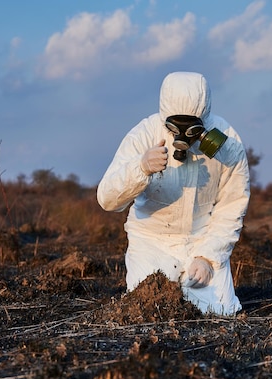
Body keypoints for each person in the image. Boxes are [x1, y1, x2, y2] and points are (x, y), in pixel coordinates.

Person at [97, 71, 250, 315]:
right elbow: (107, 199)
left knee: (219, 313)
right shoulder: (144, 135)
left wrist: (209, 257)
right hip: (151, 241)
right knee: (148, 309)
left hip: (202, 239)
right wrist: (141, 167)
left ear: (204, 118)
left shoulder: (226, 142)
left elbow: (232, 206)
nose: (182, 135)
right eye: (174, 126)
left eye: (191, 127)